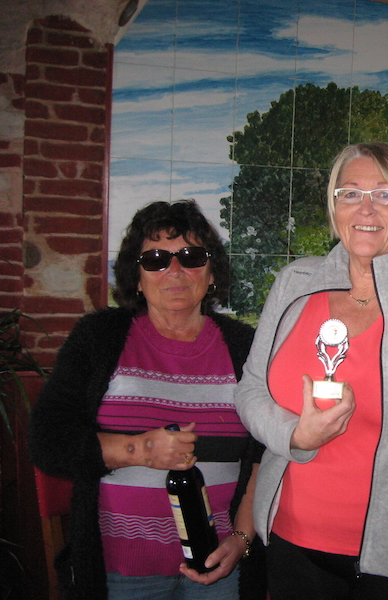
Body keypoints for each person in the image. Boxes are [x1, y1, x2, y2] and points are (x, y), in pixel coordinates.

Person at [235, 141, 388, 600]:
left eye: (386, 194)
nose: (365, 208)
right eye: (349, 193)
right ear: (334, 207)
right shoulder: (294, 283)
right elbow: (251, 389)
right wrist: (296, 436)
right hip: (290, 542)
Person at [28, 200, 265, 600]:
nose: (175, 270)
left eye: (191, 257)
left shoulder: (246, 346)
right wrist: (141, 450)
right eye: (155, 259)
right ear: (136, 278)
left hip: (220, 565)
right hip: (119, 570)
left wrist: (241, 539)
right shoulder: (99, 337)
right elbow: (48, 440)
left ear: (211, 274)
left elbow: (265, 453)